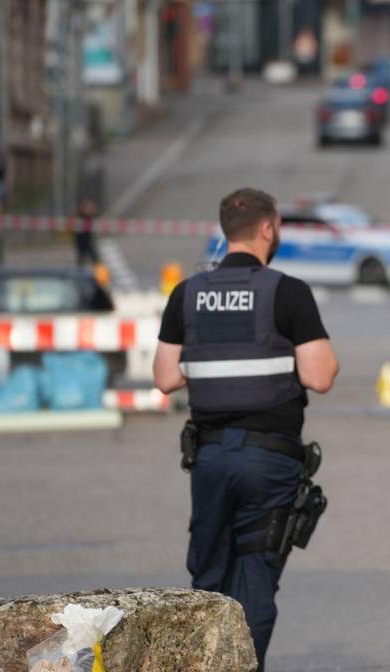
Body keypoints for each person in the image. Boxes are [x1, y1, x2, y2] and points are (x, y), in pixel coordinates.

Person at [152, 188, 339, 671]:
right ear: (268, 228)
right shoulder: (287, 292)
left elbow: (165, 377)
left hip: (210, 460)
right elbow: (320, 376)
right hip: (268, 461)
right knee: (254, 582)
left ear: (224, 231)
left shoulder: (188, 293)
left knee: (209, 582)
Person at [73, 198, 99, 267]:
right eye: (88, 208)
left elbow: (94, 214)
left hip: (88, 239)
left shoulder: (90, 216)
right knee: (82, 256)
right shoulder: (80, 216)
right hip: (81, 239)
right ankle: (81, 270)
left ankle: (97, 270)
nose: (90, 209)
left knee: (93, 256)